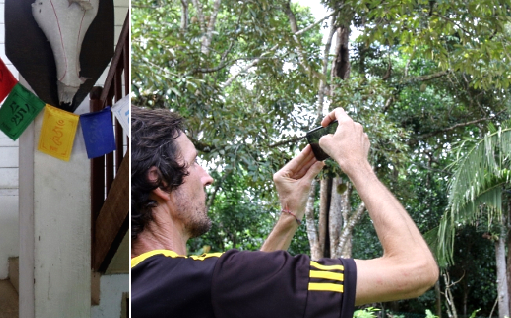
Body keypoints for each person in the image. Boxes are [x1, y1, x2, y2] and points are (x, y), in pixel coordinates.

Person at [131, 106, 438, 318]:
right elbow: (415, 270)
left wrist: (289, 214)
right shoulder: (217, 278)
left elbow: (243, 296)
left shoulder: (135, 286)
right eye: (195, 161)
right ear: (161, 179)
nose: (206, 176)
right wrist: (356, 163)